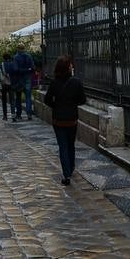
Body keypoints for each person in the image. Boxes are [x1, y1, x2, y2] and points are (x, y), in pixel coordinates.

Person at [44, 55, 86, 185]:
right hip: (72, 119)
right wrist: (72, 103)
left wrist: (56, 106)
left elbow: (47, 100)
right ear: (68, 68)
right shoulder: (76, 82)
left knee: (62, 146)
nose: (72, 66)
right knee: (70, 144)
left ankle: (66, 174)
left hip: (58, 119)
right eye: (70, 65)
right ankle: (71, 167)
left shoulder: (54, 83)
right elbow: (82, 100)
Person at [12, 44, 35, 121]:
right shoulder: (29, 56)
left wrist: (21, 70)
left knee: (18, 97)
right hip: (28, 78)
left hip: (19, 79)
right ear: (24, 48)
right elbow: (33, 67)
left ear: (18, 49)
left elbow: (15, 69)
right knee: (28, 96)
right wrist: (27, 70)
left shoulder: (16, 57)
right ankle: (29, 114)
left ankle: (19, 114)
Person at [1, 52, 16, 121]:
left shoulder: (1, 65)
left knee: (4, 100)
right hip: (11, 83)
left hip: (4, 84)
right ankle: (13, 116)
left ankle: (5, 116)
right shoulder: (13, 64)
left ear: (3, 58)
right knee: (12, 100)